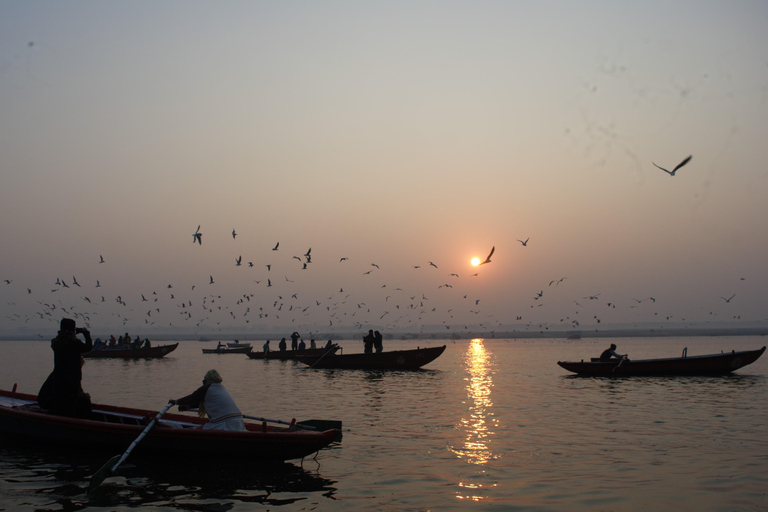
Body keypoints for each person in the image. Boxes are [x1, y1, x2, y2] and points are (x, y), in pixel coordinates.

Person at [37, 318, 93, 418]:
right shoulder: (74, 343)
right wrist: (86, 334)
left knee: (60, 402)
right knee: (71, 406)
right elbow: (88, 347)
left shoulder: (55, 342)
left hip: (58, 378)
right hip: (72, 380)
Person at [172, 369, 246, 431]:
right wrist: (186, 407)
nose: (203, 381)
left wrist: (175, 402)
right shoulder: (219, 388)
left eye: (205, 379)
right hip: (238, 422)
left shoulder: (207, 388)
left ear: (208, 380)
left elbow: (192, 398)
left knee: (197, 430)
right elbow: (205, 402)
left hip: (224, 425)